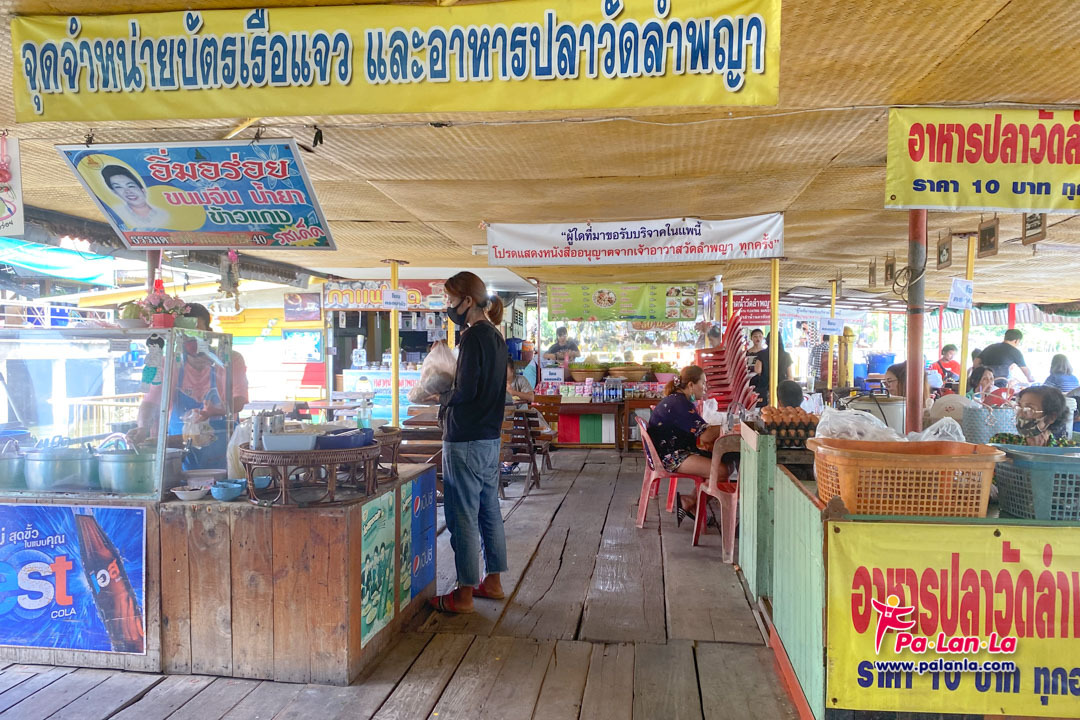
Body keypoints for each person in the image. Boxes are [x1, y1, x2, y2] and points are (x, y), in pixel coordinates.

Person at [432, 271, 508, 614]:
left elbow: (466, 391)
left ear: (467, 301)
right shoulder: (496, 336)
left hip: (464, 439)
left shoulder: (474, 338)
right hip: (490, 436)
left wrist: (440, 393)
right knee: (488, 509)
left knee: (461, 515)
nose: (449, 307)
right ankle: (492, 581)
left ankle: (462, 594)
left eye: (451, 301)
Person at [129, 303, 248, 470]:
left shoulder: (230, 359)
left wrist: (217, 410)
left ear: (209, 332)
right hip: (179, 451)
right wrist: (142, 427)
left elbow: (239, 400)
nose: (192, 340)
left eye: (197, 332)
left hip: (222, 449)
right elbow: (150, 402)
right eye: (186, 334)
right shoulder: (166, 363)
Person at [646, 366, 726, 524]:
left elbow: (703, 434)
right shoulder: (680, 405)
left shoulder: (678, 400)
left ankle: (692, 503)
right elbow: (706, 436)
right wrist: (730, 424)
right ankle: (690, 501)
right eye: (703, 383)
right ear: (690, 385)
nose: (705, 388)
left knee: (722, 464)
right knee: (722, 471)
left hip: (671, 451)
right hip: (670, 457)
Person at [991, 385, 1075, 447]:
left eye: (1029, 410)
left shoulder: (1065, 450)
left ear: (1051, 417)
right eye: (1019, 408)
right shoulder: (1003, 442)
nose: (1020, 414)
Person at [101, 165, 169, 228]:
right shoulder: (117, 214)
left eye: (131, 186)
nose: (127, 191)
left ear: (143, 190)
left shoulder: (163, 214)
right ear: (114, 192)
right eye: (118, 187)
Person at [752, 332, 793, 405]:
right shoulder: (786, 355)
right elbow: (790, 376)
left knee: (765, 412)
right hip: (781, 389)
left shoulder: (762, 354)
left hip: (765, 388)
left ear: (767, 340)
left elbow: (757, 370)